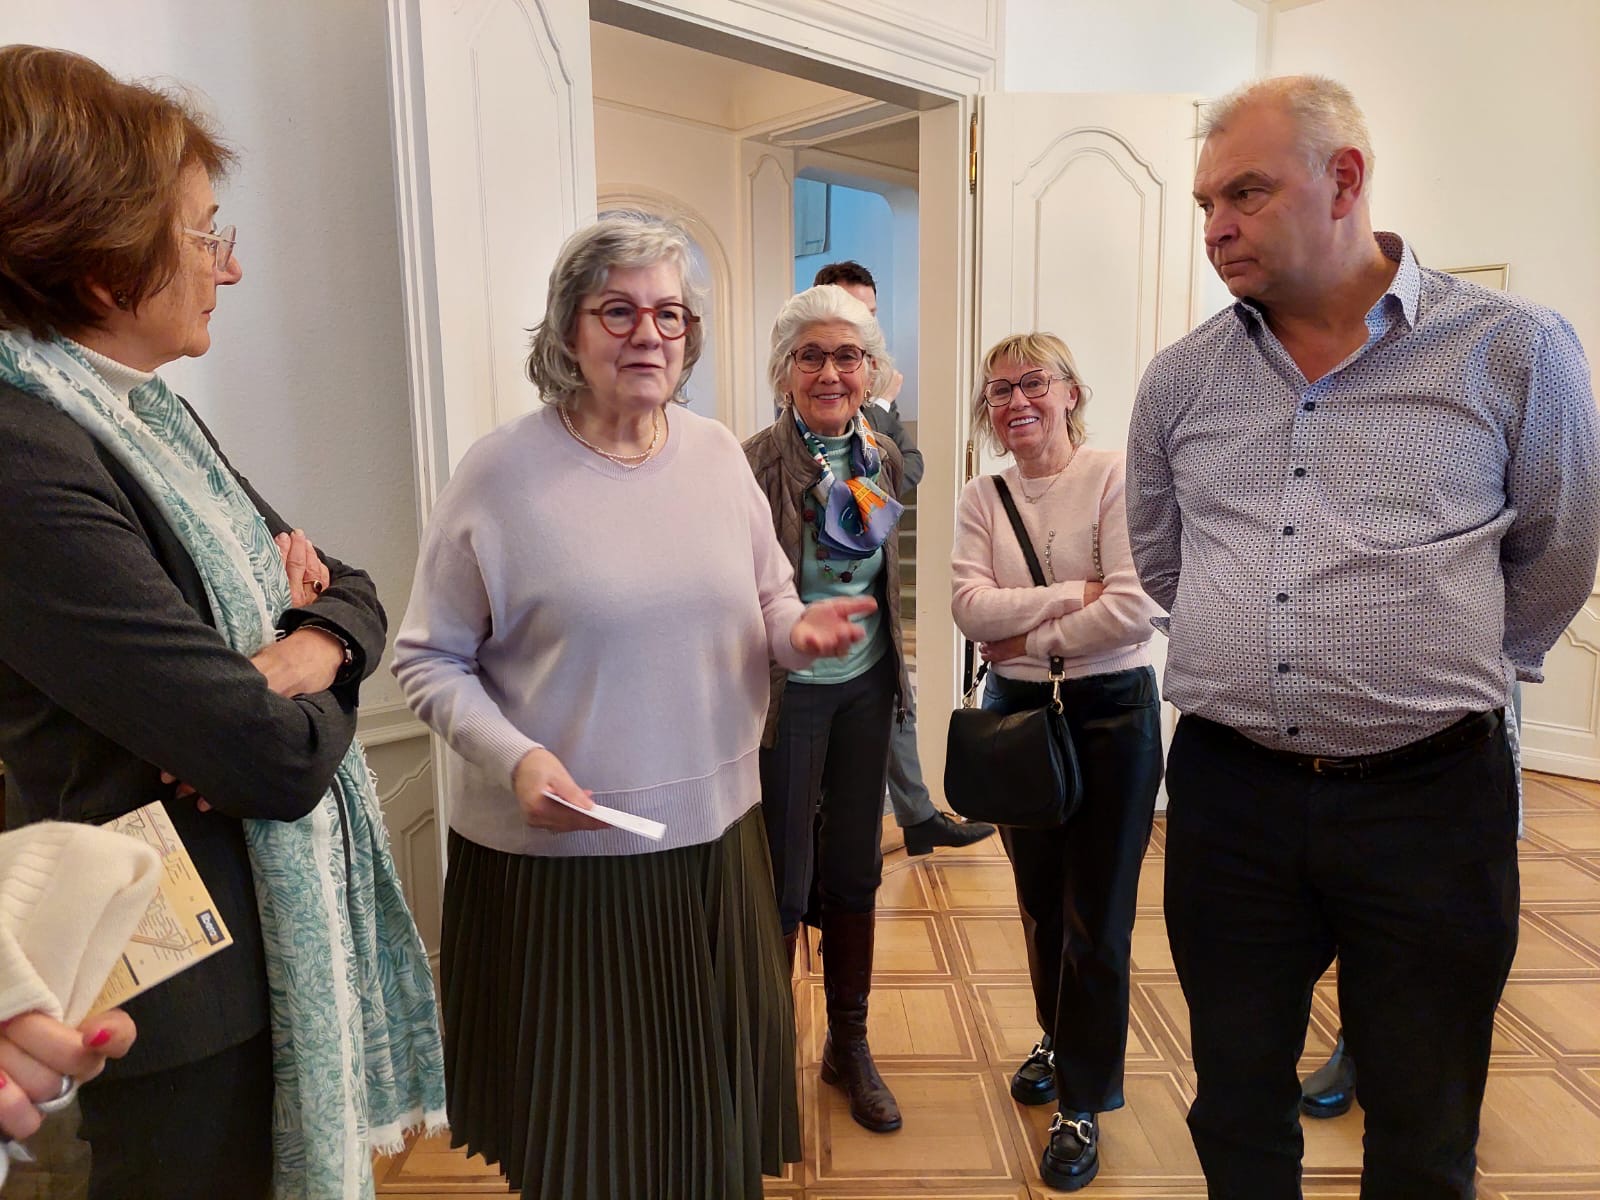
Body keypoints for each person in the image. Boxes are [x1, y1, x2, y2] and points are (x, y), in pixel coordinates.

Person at [1126, 75, 1600, 1199]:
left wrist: (1441, 664)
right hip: (1231, 798)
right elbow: (1163, 557)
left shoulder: (1511, 348)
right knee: (1235, 1097)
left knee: (1424, 1118)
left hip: (1430, 803)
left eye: (1244, 193)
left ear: (1344, 180)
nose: (1216, 226)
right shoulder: (1181, 378)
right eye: (1204, 203)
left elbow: (1562, 545)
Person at [0, 46, 444, 1200]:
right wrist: (281, 690)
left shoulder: (150, 422)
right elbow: (266, 758)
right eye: (204, 234)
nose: (228, 267)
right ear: (103, 257)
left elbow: (351, 584)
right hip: (172, 993)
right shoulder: (24, 454)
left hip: (251, 939)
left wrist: (307, 648)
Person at [392, 215, 871, 1200]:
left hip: (716, 847)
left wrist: (802, 633)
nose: (648, 333)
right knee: (593, 1149)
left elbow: (770, 602)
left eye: (669, 314)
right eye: (618, 312)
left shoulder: (714, 455)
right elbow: (427, 658)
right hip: (564, 868)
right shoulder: (501, 472)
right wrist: (518, 759)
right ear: (569, 329)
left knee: (705, 1140)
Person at [952, 332, 1163, 1190]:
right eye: (999, 391)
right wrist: (1074, 595)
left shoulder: (1114, 476)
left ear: (1071, 391)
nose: (1017, 402)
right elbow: (969, 608)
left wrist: (1026, 636)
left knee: (1098, 918)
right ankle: (1056, 1032)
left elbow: (1135, 609)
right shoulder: (983, 494)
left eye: (1033, 382)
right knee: (1041, 903)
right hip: (1018, 718)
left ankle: (1083, 1101)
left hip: (1111, 715)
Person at [744, 284, 911, 1133]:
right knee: (780, 877)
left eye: (848, 356)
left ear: (870, 370)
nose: (830, 373)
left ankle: (849, 1045)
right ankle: (767, 1058)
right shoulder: (751, 464)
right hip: (787, 699)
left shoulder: (883, 456)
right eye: (811, 356)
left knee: (853, 867)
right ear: (785, 371)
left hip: (866, 687)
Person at [812, 261, 995, 856]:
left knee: (896, 700)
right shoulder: (812, 383)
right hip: (817, 599)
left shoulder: (875, 385)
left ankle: (914, 816)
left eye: (870, 312)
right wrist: (884, 406)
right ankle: (859, 836)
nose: (863, 323)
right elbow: (827, 479)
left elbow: (909, 467)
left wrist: (880, 434)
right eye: (850, 309)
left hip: (875, 579)